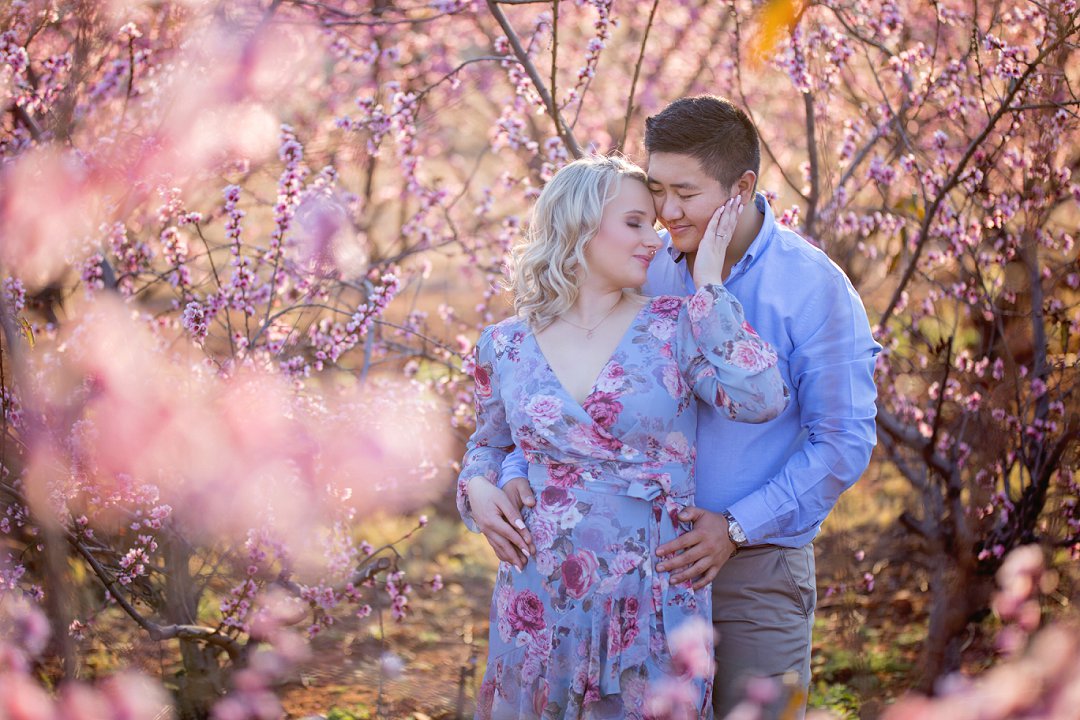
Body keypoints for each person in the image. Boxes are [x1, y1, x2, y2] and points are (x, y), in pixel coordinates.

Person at [480, 96, 881, 718]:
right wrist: (504, 482)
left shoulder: (812, 286)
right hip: (622, 572)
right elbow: (541, 421)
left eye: (684, 194)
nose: (665, 216)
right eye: (656, 193)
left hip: (756, 563)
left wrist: (739, 524)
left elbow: (842, 442)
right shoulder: (645, 270)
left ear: (740, 187)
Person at [458, 153, 788, 719]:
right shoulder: (505, 345)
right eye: (635, 222)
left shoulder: (676, 325)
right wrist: (477, 491)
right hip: (539, 602)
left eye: (654, 227)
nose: (655, 241)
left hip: (653, 597)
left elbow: (762, 399)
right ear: (579, 226)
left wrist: (709, 287)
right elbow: (489, 446)